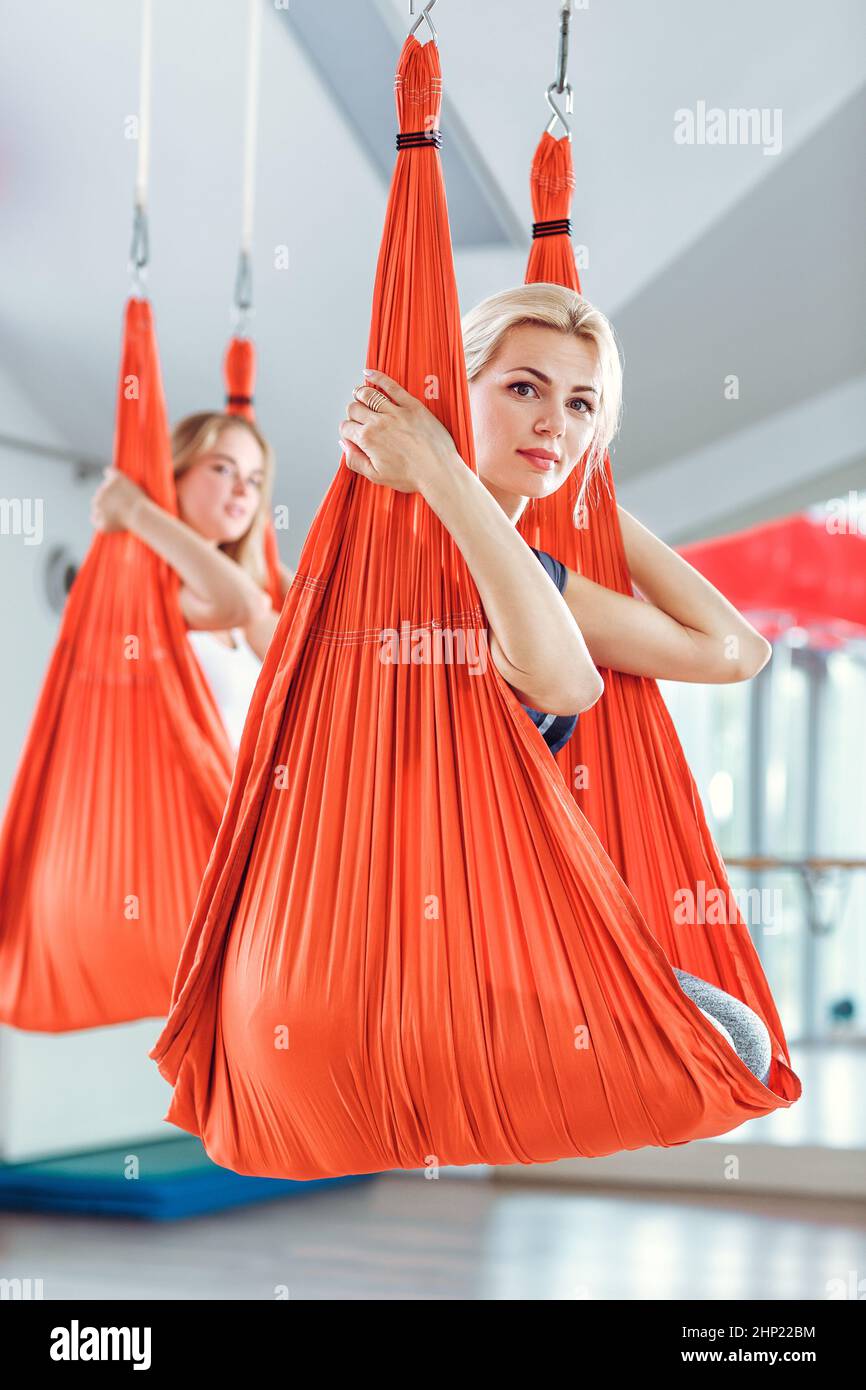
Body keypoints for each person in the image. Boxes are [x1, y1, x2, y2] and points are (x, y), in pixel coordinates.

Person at [337, 281, 773, 1086]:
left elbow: (733, 650)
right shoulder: (387, 553)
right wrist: (437, 467)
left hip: (515, 925)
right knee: (711, 1054)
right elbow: (568, 683)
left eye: (581, 406)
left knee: (739, 1049)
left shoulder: (535, 576)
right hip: (407, 936)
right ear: (449, 392)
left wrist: (587, 483)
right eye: (523, 388)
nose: (553, 423)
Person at [90, 411, 292, 751]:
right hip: (178, 801)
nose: (243, 490)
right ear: (176, 475)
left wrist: (263, 549)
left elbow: (316, 636)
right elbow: (244, 604)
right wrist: (136, 510)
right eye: (223, 469)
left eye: (255, 480)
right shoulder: (159, 593)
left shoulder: (245, 614)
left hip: (233, 801)